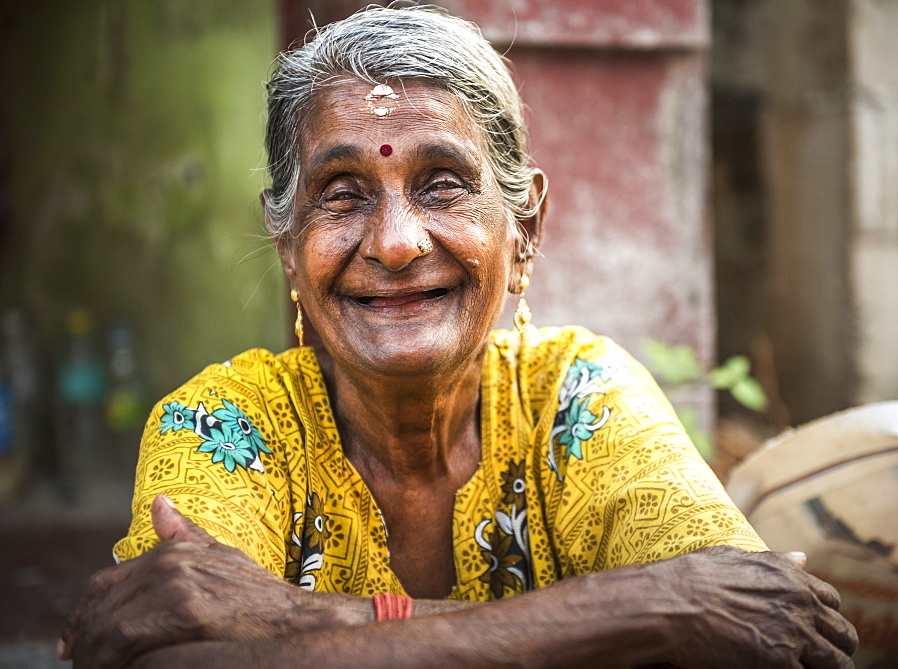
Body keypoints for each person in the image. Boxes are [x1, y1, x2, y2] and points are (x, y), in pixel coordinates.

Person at [60, 6, 857, 667]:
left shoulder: (578, 395)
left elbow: (744, 631)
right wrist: (648, 607)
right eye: (342, 194)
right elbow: (172, 661)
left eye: (443, 184)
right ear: (288, 251)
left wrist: (293, 622)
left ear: (527, 230)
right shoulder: (223, 424)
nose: (398, 241)